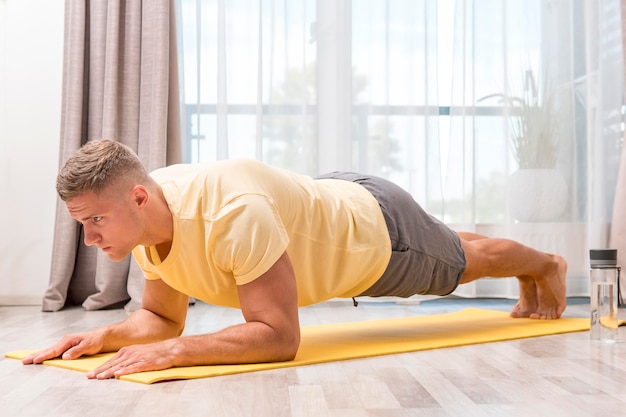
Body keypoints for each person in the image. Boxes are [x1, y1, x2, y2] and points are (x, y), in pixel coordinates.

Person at [23, 139, 567, 379]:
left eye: (96, 220)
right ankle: (517, 257)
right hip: (332, 200)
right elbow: (163, 317)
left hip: (377, 235)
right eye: (82, 224)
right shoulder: (150, 216)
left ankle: (544, 264)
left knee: (458, 263)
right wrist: (108, 337)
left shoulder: (232, 213)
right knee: (450, 243)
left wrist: (173, 354)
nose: (90, 239)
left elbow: (279, 338)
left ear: (138, 197)